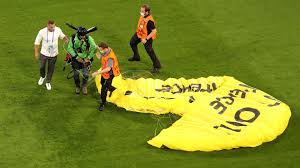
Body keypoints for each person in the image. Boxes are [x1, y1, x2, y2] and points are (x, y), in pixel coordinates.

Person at [34, 20, 68, 90]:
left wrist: (66, 39)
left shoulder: (58, 30)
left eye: (53, 27)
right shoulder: (42, 32)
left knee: (51, 69)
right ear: (48, 26)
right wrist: (36, 53)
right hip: (44, 53)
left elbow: (62, 36)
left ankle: (48, 82)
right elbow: (37, 43)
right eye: (51, 27)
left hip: (54, 54)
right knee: (41, 67)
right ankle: (42, 76)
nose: (53, 29)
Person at [128, 4, 161, 74]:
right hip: (139, 34)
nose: (141, 12)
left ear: (147, 12)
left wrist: (146, 39)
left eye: (142, 11)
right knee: (132, 43)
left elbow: (154, 31)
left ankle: (157, 66)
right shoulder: (143, 16)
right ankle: (136, 56)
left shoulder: (150, 21)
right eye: (141, 11)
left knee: (150, 51)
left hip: (146, 37)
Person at [66, 25, 97, 95]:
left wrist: (89, 57)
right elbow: (69, 48)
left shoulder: (89, 38)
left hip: (86, 59)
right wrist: (77, 57)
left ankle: (84, 86)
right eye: (82, 36)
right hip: (75, 58)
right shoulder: (73, 37)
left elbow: (94, 48)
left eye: (84, 35)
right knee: (76, 74)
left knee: (86, 74)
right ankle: (77, 86)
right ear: (78, 35)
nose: (83, 37)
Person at [92, 42, 120, 111]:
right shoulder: (106, 51)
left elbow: (108, 69)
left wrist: (97, 73)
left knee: (103, 89)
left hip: (109, 74)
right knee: (103, 83)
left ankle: (103, 103)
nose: (100, 51)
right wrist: (95, 49)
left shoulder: (110, 57)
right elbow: (99, 56)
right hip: (105, 73)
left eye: (101, 49)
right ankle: (112, 89)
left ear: (105, 49)